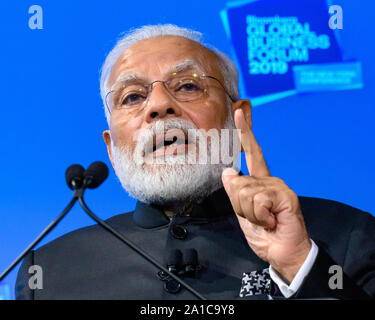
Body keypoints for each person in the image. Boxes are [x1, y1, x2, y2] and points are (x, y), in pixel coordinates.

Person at [15, 24, 375, 300]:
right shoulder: (48, 271)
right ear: (111, 147)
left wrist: (300, 263)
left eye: (188, 86)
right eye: (133, 96)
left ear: (239, 121)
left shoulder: (348, 236)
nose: (158, 105)